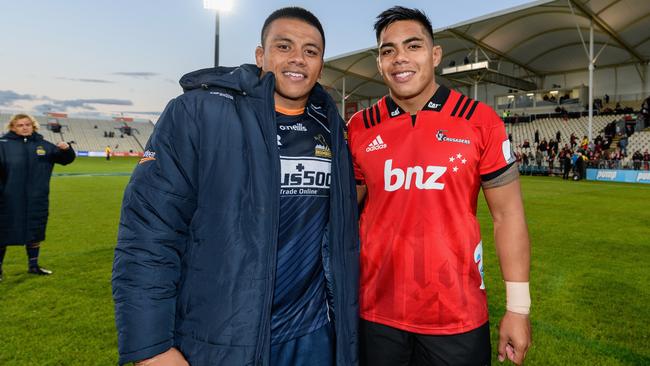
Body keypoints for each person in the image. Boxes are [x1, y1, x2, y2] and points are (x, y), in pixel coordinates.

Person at [111, 7, 359, 366]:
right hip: (226, 337)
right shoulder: (197, 113)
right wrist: (150, 347)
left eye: (311, 51)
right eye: (284, 46)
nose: (297, 59)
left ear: (321, 64)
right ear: (261, 55)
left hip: (313, 334)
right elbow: (149, 233)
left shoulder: (329, 127)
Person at [347, 7, 531, 366]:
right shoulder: (359, 127)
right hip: (376, 313)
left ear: (435, 55)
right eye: (388, 50)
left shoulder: (480, 121)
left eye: (412, 46)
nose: (400, 58)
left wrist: (518, 308)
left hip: (457, 316)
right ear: (379, 63)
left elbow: (508, 215)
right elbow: (343, 216)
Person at [0, 114, 75, 280]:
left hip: (37, 199)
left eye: (28, 124)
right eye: (20, 125)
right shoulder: (3, 145)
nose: (24, 127)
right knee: (2, 233)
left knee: (35, 231)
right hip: (8, 199)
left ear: (33, 126)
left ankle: (33, 266)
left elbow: (65, 160)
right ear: (12, 127)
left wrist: (66, 150)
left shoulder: (44, 145)